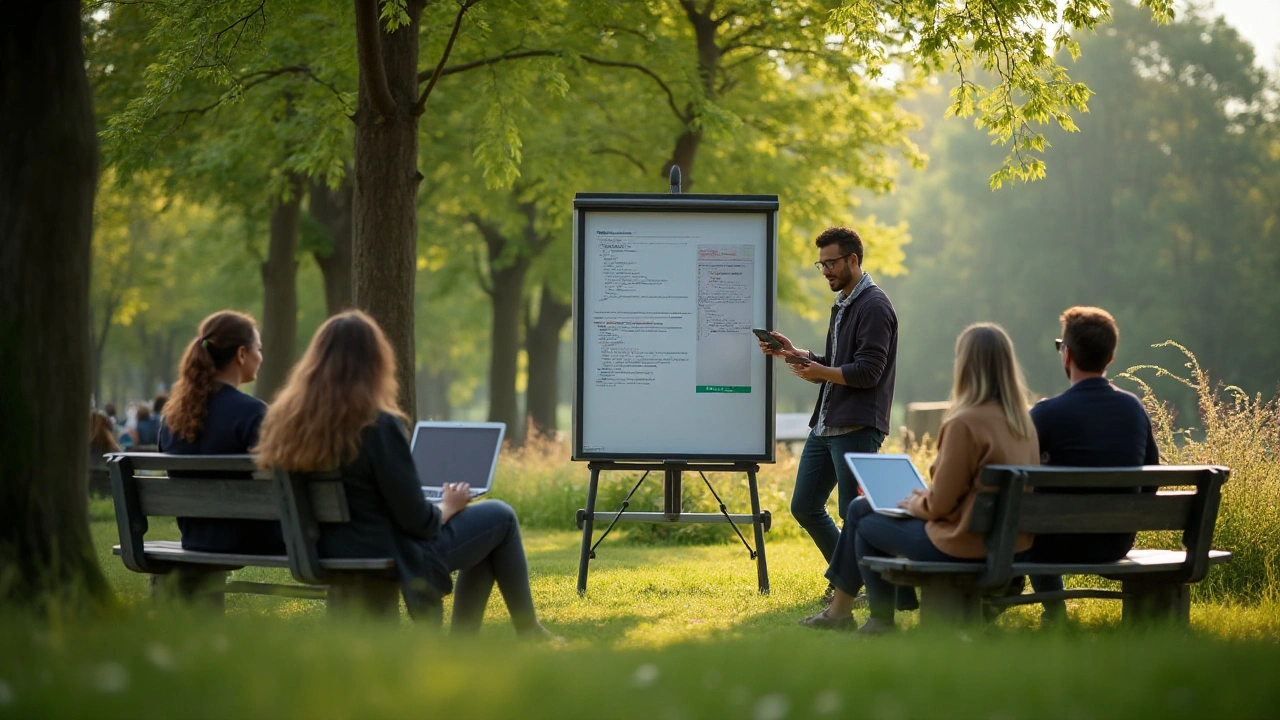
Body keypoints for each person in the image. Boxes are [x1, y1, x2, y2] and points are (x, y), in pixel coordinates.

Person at [254, 311, 557, 639]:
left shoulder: (288, 425)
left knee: (485, 530)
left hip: (324, 549)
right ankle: (522, 631)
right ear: (376, 364)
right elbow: (420, 522)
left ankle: (475, 645)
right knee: (500, 517)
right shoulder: (378, 426)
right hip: (386, 551)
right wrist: (450, 504)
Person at [800, 323, 1041, 634]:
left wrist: (916, 501)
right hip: (1010, 546)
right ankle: (843, 612)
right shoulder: (1025, 425)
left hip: (963, 545)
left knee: (862, 515)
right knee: (862, 508)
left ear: (965, 366)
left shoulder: (964, 423)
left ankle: (877, 619)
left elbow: (939, 505)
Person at [759, 226, 898, 601]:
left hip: (857, 426)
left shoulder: (874, 306)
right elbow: (837, 364)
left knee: (853, 514)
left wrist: (821, 373)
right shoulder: (844, 303)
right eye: (820, 265)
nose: (825, 272)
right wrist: (795, 354)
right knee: (804, 506)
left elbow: (869, 372)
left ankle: (859, 588)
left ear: (854, 259)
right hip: (826, 425)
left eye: (831, 263)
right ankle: (851, 580)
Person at [1027, 307, 1161, 623]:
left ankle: (1054, 611)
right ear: (1110, 359)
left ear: (1067, 355)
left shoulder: (1047, 414)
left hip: (1052, 545)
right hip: (1114, 541)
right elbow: (1151, 475)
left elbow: (1018, 472)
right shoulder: (1133, 409)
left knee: (1031, 517)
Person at [159, 310, 284, 555]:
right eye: (258, 349)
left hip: (195, 537)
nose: (261, 356)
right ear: (241, 354)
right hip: (252, 538)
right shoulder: (253, 413)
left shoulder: (171, 417)